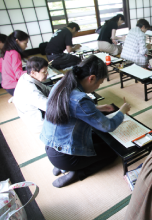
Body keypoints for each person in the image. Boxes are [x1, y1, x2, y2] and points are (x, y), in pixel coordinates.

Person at [40, 55, 131, 188]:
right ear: (91, 78)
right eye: (99, 83)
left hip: (51, 147)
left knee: (100, 138)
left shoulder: (62, 83)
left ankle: (61, 167)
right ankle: (77, 172)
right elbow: (108, 126)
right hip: (67, 156)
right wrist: (122, 111)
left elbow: (71, 109)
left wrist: (98, 107)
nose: (97, 87)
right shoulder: (80, 99)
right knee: (113, 152)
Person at [13, 57, 51, 133]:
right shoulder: (30, 90)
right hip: (39, 123)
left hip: (35, 114)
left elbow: (46, 89)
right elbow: (50, 108)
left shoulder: (26, 76)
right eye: (44, 72)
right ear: (33, 72)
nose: (47, 74)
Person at [1, 30, 29, 96]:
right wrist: (33, 71)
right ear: (17, 41)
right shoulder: (15, 53)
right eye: (25, 43)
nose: (26, 46)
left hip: (7, 84)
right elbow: (18, 74)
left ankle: (16, 97)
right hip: (13, 85)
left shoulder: (8, 51)